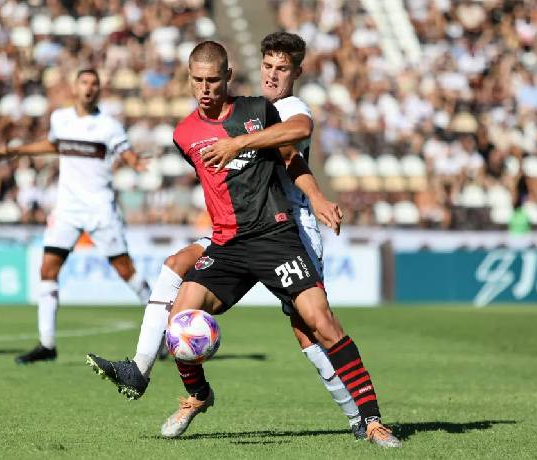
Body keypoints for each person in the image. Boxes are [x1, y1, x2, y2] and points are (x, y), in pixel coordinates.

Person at [85, 33, 368, 439]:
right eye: (268, 66)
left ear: (296, 74)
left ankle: (357, 415)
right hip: (237, 232)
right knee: (175, 270)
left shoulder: (287, 109)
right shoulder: (232, 115)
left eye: (281, 69)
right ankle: (148, 372)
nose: (272, 75)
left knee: (308, 330)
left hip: (292, 226)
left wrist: (317, 197)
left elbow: (290, 156)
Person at [165, 40, 400, 448]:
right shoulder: (183, 134)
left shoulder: (261, 111)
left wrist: (316, 196)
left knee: (318, 323)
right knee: (181, 317)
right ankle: (198, 395)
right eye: (197, 80)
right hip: (228, 243)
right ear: (189, 79)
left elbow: (292, 154)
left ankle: (371, 419)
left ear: (227, 78)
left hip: (277, 235)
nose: (205, 88)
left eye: (212, 80)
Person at [0, 69, 152, 364]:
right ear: (75, 87)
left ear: (100, 89)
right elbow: (53, 145)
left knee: (126, 271)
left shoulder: (109, 126)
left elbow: (125, 153)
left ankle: (161, 329)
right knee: (47, 270)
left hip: (100, 209)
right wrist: (14, 151)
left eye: (94, 83)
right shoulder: (60, 119)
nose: (89, 88)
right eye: (84, 83)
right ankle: (47, 344)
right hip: (67, 208)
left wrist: (135, 162)